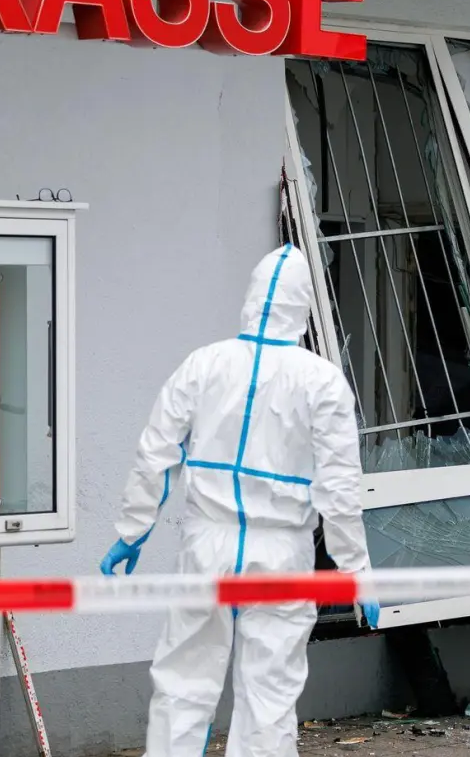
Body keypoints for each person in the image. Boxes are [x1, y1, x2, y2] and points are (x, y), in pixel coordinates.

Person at [100, 245, 377, 757]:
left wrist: (132, 530)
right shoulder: (322, 381)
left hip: (207, 544)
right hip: (282, 553)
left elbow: (156, 453)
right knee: (270, 693)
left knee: (183, 682)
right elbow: (339, 489)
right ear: (304, 309)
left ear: (250, 299)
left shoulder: (203, 364)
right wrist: (354, 568)